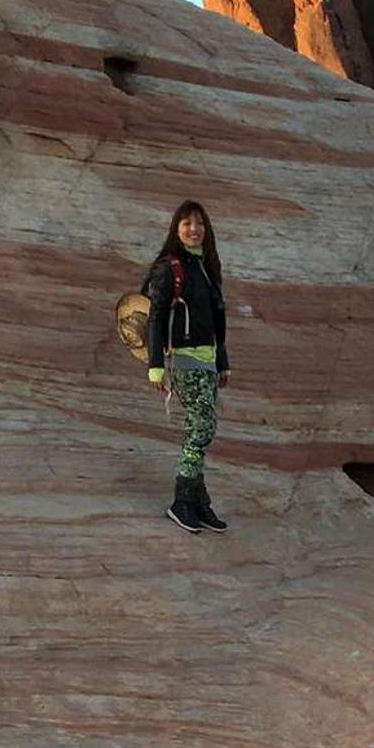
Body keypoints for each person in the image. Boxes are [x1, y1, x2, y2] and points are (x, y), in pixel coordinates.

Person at [145, 200, 231, 533]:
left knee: (200, 427)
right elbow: (156, 316)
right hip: (184, 359)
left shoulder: (207, 267)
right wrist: (155, 365)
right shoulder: (170, 267)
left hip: (208, 360)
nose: (193, 229)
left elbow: (216, 319)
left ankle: (198, 502)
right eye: (186, 224)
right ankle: (182, 502)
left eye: (199, 224)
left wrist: (223, 362)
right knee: (202, 428)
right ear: (176, 230)